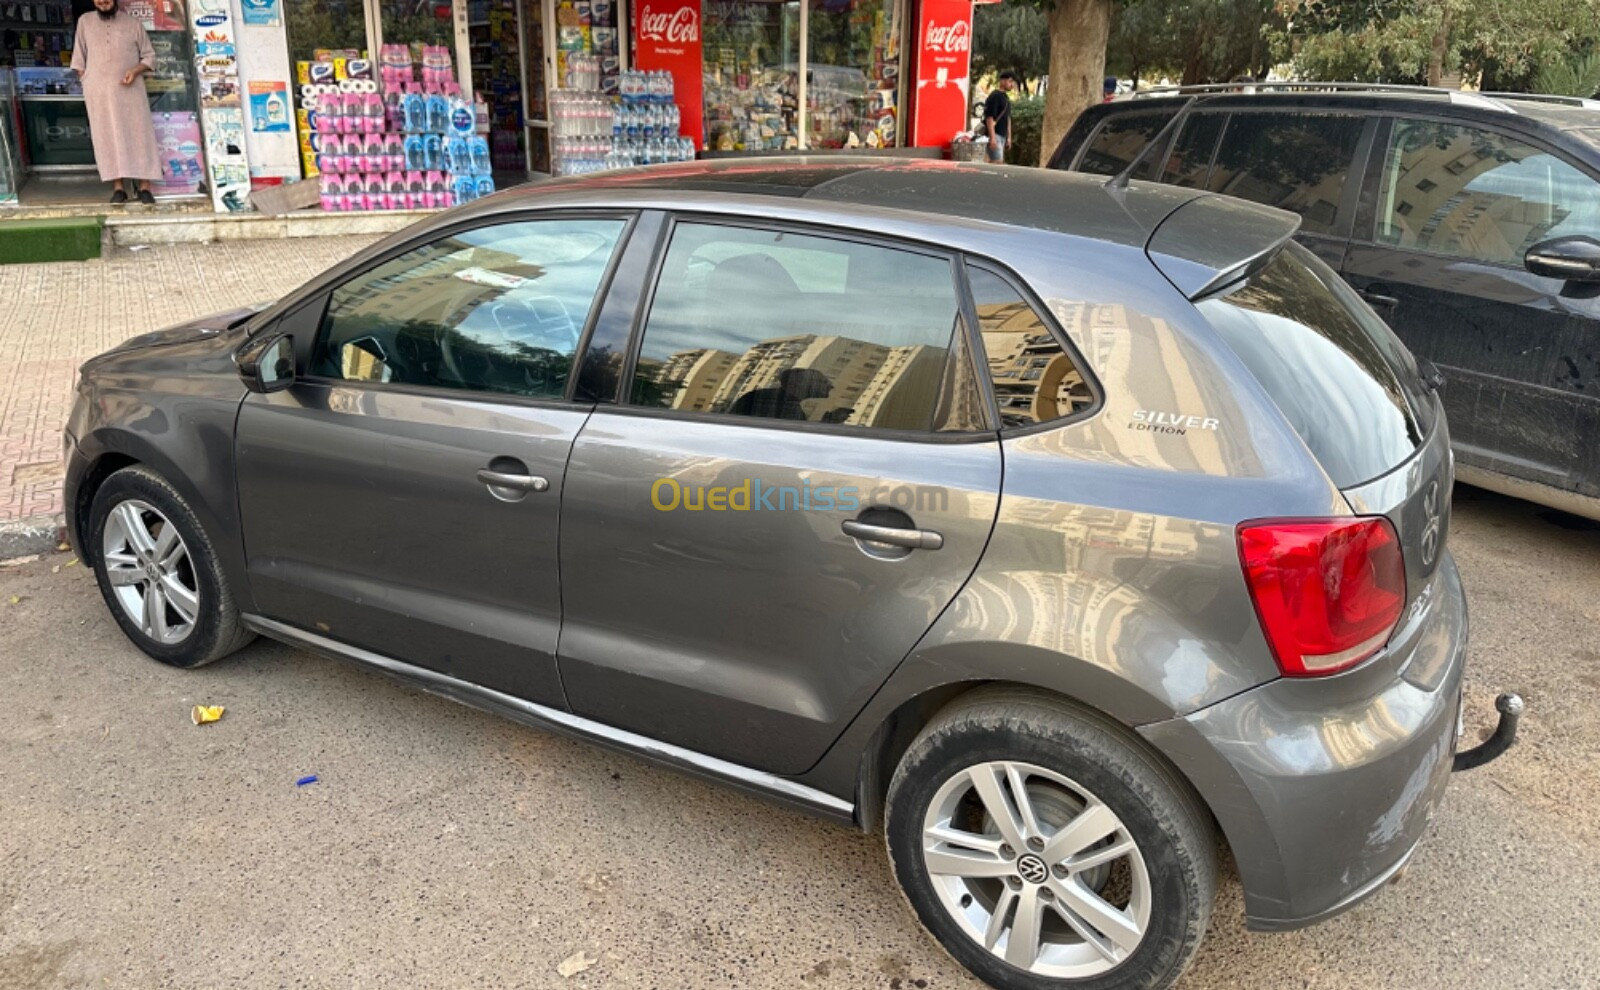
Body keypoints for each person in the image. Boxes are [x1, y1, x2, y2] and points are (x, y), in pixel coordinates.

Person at [71, 0, 162, 205]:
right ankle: (118, 187)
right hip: (99, 94)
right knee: (107, 137)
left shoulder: (132, 23)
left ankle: (144, 186)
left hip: (131, 91)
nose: (103, 2)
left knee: (139, 134)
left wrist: (134, 70)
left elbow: (149, 56)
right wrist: (88, 80)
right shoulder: (85, 22)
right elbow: (78, 59)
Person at [982, 71, 1016, 164]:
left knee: (996, 162)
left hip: (1002, 136)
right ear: (1002, 81)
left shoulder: (1006, 98)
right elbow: (989, 117)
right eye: (1010, 81)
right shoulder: (995, 96)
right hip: (995, 134)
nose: (1012, 84)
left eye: (1012, 82)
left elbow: (1007, 118)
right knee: (997, 162)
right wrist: (992, 138)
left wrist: (1009, 137)